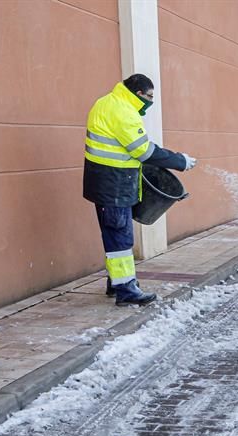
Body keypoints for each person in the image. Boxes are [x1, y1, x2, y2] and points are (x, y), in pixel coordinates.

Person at [83, 74, 196, 306]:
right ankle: (126, 290)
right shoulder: (124, 111)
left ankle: (116, 282)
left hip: (103, 180)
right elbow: (143, 151)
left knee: (112, 233)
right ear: (138, 94)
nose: (151, 101)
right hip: (114, 183)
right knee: (120, 236)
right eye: (149, 97)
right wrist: (180, 161)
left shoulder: (105, 101)